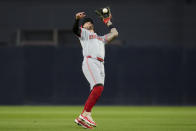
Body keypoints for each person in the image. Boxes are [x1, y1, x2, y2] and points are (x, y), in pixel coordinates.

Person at [72, 11, 118, 129]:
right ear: (83, 27)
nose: (88, 23)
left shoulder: (100, 38)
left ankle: (84, 117)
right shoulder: (84, 34)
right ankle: (85, 114)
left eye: (90, 22)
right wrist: (77, 20)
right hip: (90, 61)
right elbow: (75, 30)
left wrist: (108, 22)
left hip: (100, 64)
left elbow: (115, 34)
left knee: (98, 90)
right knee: (98, 86)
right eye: (86, 23)